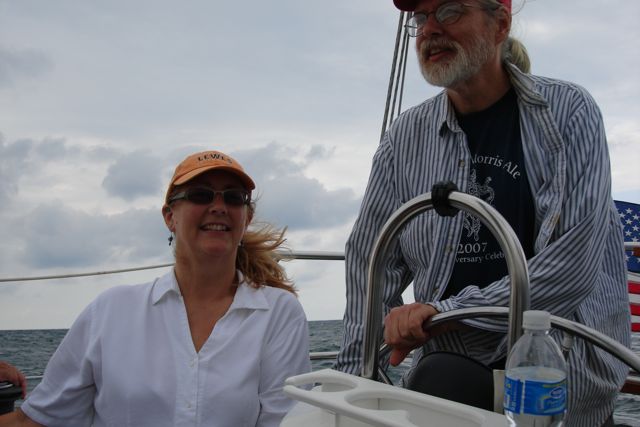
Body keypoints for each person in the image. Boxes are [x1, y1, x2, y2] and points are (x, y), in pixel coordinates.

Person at [334, 0, 630, 426]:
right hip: (449, 362)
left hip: (557, 359)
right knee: (439, 379)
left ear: (500, 24)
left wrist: (446, 312)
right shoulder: (405, 138)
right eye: (420, 19)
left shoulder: (569, 112)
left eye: (450, 11)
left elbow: (572, 266)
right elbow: (370, 260)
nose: (430, 30)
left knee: (443, 380)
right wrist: (357, 380)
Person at [0, 150, 311, 427]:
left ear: (246, 218)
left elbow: (286, 422)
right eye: (201, 195)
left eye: (233, 197)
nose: (219, 206)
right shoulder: (111, 311)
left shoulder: (279, 313)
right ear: (169, 217)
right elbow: (37, 420)